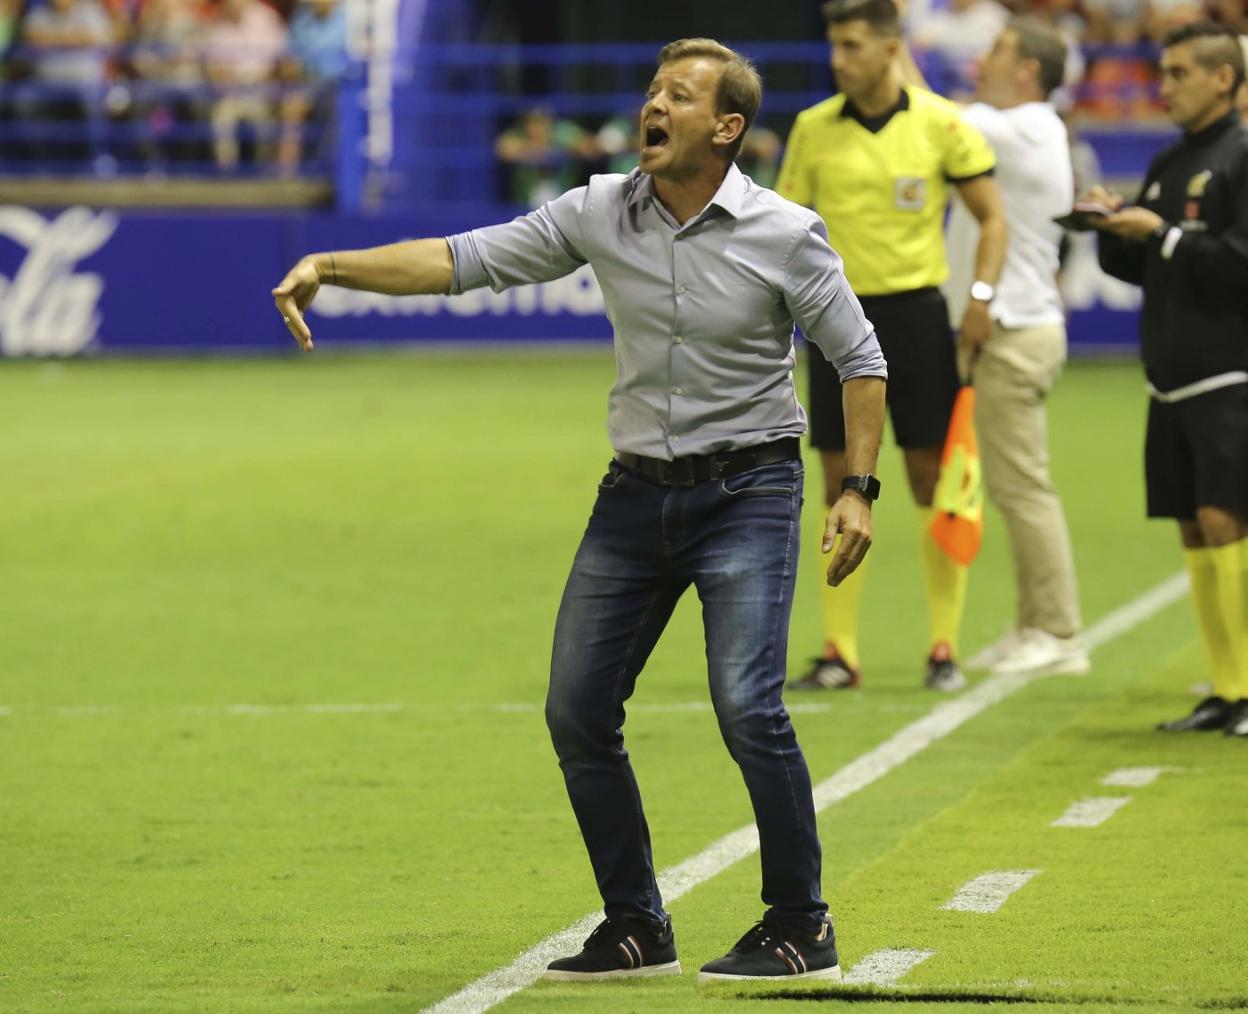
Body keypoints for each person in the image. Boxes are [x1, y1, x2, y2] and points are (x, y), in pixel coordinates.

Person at [273, 38, 888, 982]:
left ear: (726, 126)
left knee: (747, 708)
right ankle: (637, 925)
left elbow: (861, 360)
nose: (655, 105)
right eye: (652, 90)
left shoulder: (785, 232)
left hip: (750, 490)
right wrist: (332, 264)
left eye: (678, 95)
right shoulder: (600, 208)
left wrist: (857, 489)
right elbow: (459, 261)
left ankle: (801, 922)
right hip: (635, 493)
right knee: (576, 710)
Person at [779, 0, 1007, 693]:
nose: (838, 59)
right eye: (834, 45)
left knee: (928, 479)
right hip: (834, 320)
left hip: (914, 316)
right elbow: (783, 227)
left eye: (851, 45)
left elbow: (993, 219)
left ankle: (944, 646)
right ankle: (839, 651)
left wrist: (981, 300)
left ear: (887, 48)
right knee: (836, 480)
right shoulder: (813, 128)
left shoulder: (941, 124)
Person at [1090, 21, 1248, 737]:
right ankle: (1224, 688)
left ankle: (1246, 688)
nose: (1165, 86)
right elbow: (1134, 267)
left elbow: (1236, 264)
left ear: (1224, 77)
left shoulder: (1241, 156)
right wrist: (1108, 225)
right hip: (1169, 373)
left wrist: (1162, 232)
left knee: (1224, 520)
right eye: (1164, 71)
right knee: (1192, 527)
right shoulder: (1168, 158)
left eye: (1180, 72)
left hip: (1228, 370)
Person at [943, 18, 1090, 677]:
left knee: (1024, 487)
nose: (984, 58)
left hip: (1014, 327)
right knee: (1012, 485)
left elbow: (933, 117)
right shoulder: (1029, 125)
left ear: (1029, 68)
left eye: (998, 50)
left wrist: (893, 52)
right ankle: (1036, 623)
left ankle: (1058, 633)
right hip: (1015, 324)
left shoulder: (1026, 123)